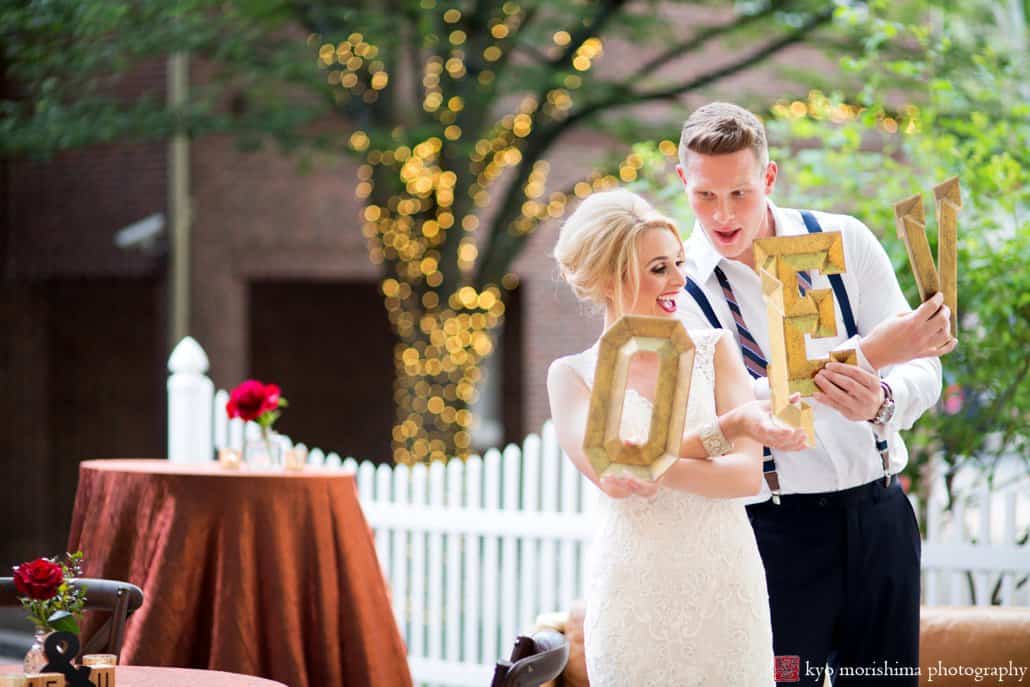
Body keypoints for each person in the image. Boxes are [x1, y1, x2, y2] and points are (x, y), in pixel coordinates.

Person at [674, 102, 952, 686]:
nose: (723, 215)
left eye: (740, 194)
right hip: (770, 534)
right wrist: (870, 352)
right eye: (705, 196)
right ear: (683, 182)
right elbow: (720, 413)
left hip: (878, 518)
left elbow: (923, 364)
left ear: (769, 178)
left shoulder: (844, 240)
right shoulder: (679, 285)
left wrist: (883, 400)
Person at [546, 188, 809, 686]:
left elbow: (741, 477)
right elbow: (615, 475)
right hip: (633, 592)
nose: (678, 281)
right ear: (608, 279)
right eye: (658, 268)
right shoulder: (574, 376)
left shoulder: (715, 350)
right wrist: (729, 428)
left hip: (724, 581)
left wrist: (653, 457)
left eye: (678, 263)